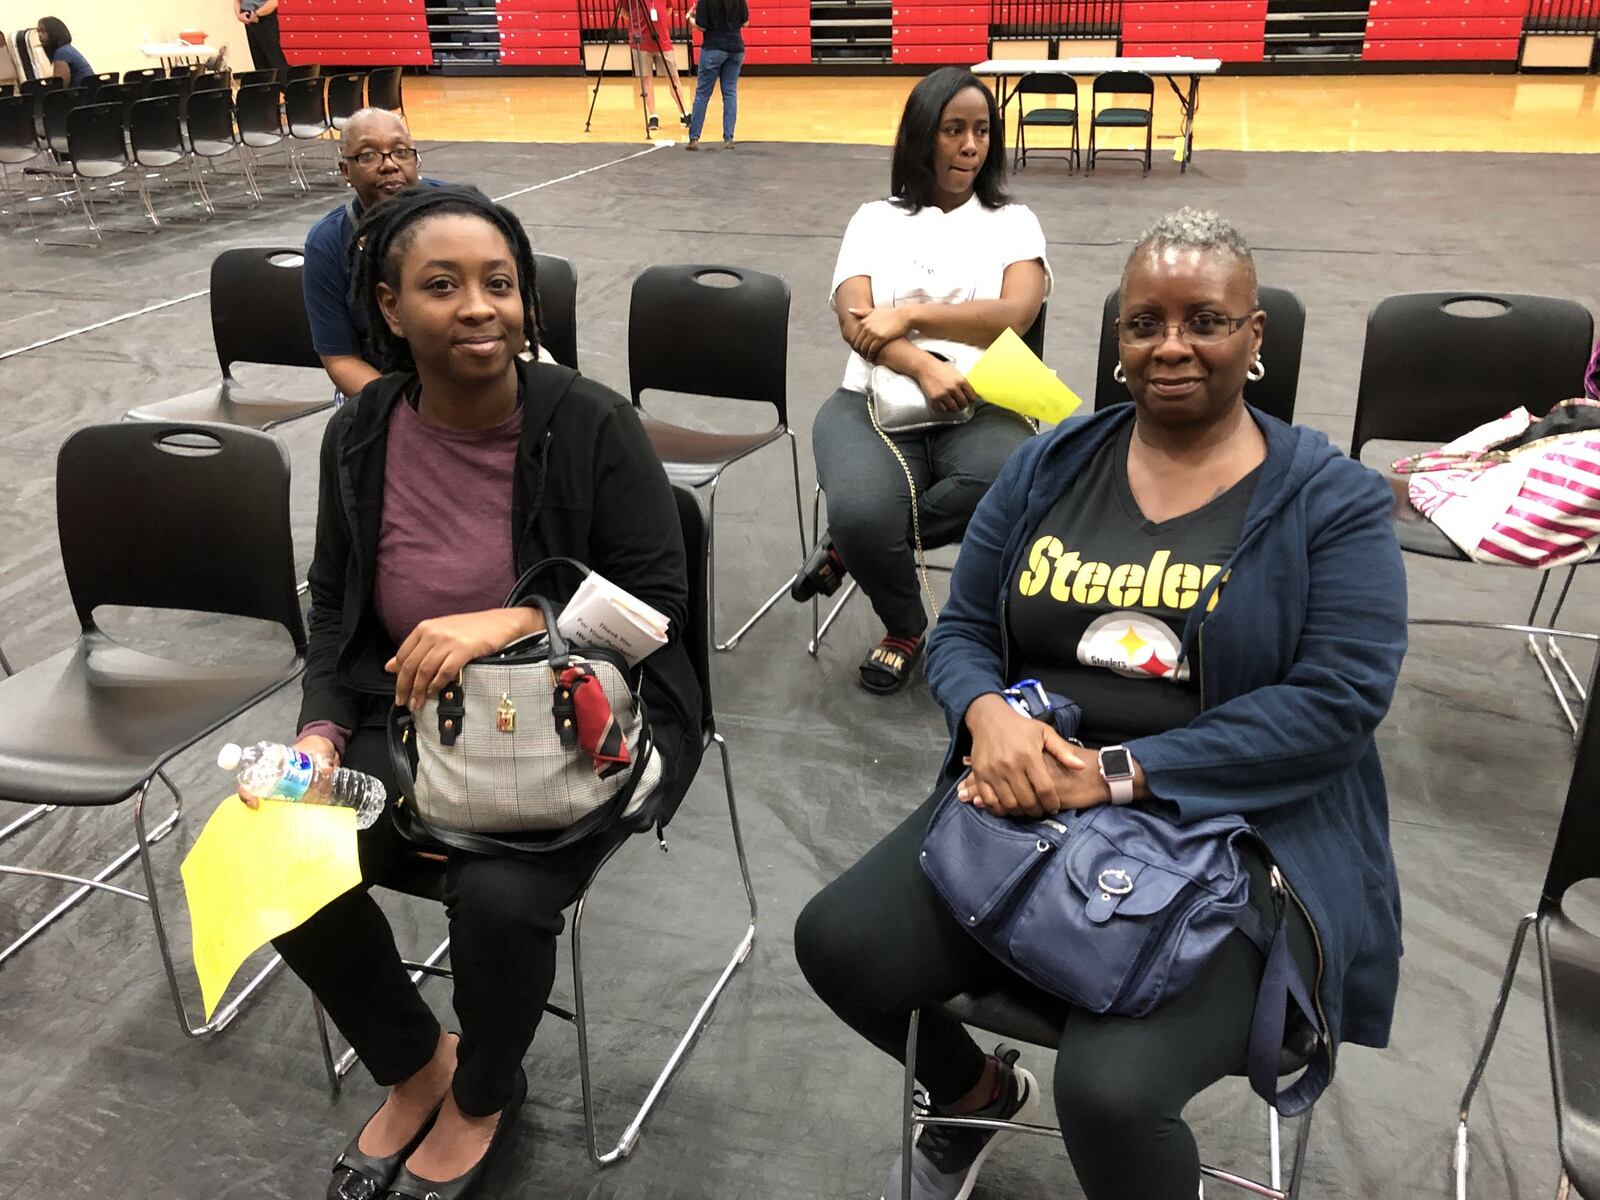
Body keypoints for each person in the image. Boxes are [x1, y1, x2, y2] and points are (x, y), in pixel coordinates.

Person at [793, 209, 1409, 1200]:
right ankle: (975, 1090)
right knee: (837, 946)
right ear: (1117, 340)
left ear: (1255, 341)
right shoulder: (1052, 462)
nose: (1170, 344)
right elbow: (958, 635)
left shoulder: (1326, 501)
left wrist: (1113, 774)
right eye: (1142, 321)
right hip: (1034, 799)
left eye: (1204, 321)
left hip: (1241, 828)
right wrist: (987, 717)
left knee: (1111, 1095)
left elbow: (1336, 706)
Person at [272, 184, 703, 1200]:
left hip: (580, 717)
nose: (478, 307)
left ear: (526, 304)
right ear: (387, 309)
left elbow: (658, 612)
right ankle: (418, 1061)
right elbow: (335, 604)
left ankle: (482, 1093)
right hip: (412, 720)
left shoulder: (595, 426)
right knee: (277, 850)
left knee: (502, 895)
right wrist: (323, 735)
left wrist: (519, 619)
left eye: (499, 284)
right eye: (442, 285)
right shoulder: (362, 431)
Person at [789, 67, 1050, 695]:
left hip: (982, 400)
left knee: (1007, 478)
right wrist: (924, 364)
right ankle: (906, 626)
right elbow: (855, 320)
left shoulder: (1014, 221)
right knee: (858, 507)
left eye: (982, 131)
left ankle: (852, 551)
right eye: (953, 130)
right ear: (920, 138)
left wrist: (908, 313)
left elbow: (1015, 313)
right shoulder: (874, 219)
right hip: (871, 397)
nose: (970, 146)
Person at [303, 109, 442, 401]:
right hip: (382, 388)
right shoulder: (328, 243)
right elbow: (341, 360)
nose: (389, 165)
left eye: (400, 152)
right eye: (367, 155)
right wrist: (407, 412)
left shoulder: (465, 213)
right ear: (345, 171)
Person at [684, 0, 747, 150]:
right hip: (736, 48)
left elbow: (701, 25)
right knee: (730, 92)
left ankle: (694, 138)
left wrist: (689, 18)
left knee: (703, 93)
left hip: (713, 48)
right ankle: (728, 138)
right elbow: (745, 23)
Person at [35, 17, 92, 87]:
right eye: (38, 31)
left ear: (54, 32)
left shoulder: (61, 53)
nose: (39, 35)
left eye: (42, 31)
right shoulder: (67, 49)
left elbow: (60, 87)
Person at [236, 0, 288, 72]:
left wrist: (256, 14)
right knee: (258, 59)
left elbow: (273, 3)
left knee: (274, 59)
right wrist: (238, 15)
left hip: (264, 17)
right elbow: (237, 1)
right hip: (249, 17)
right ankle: (265, 82)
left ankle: (283, 82)